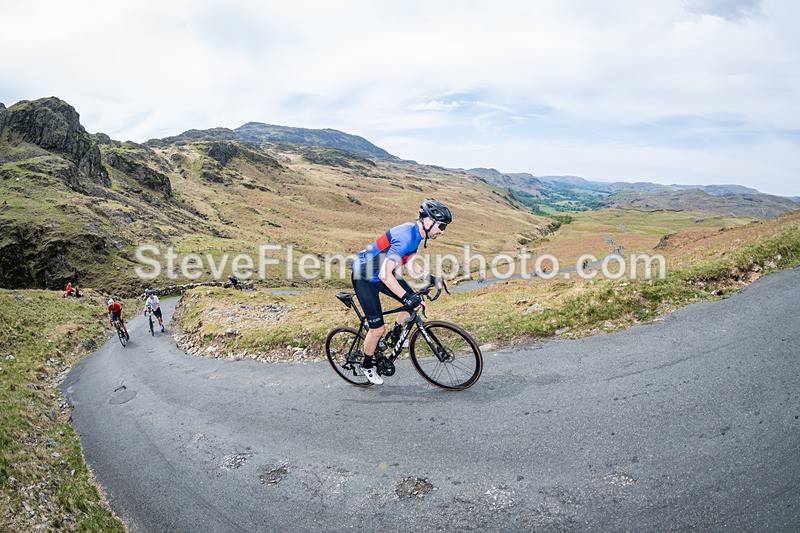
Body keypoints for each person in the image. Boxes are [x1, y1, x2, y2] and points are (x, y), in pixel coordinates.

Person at [350, 198, 452, 385]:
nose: (442, 232)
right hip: (365, 278)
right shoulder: (405, 236)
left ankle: (395, 335)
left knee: (413, 304)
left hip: (383, 274)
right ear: (428, 221)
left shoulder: (417, 235)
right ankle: (366, 365)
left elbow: (411, 264)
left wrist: (432, 278)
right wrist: (406, 297)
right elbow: (384, 274)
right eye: (442, 227)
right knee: (377, 328)